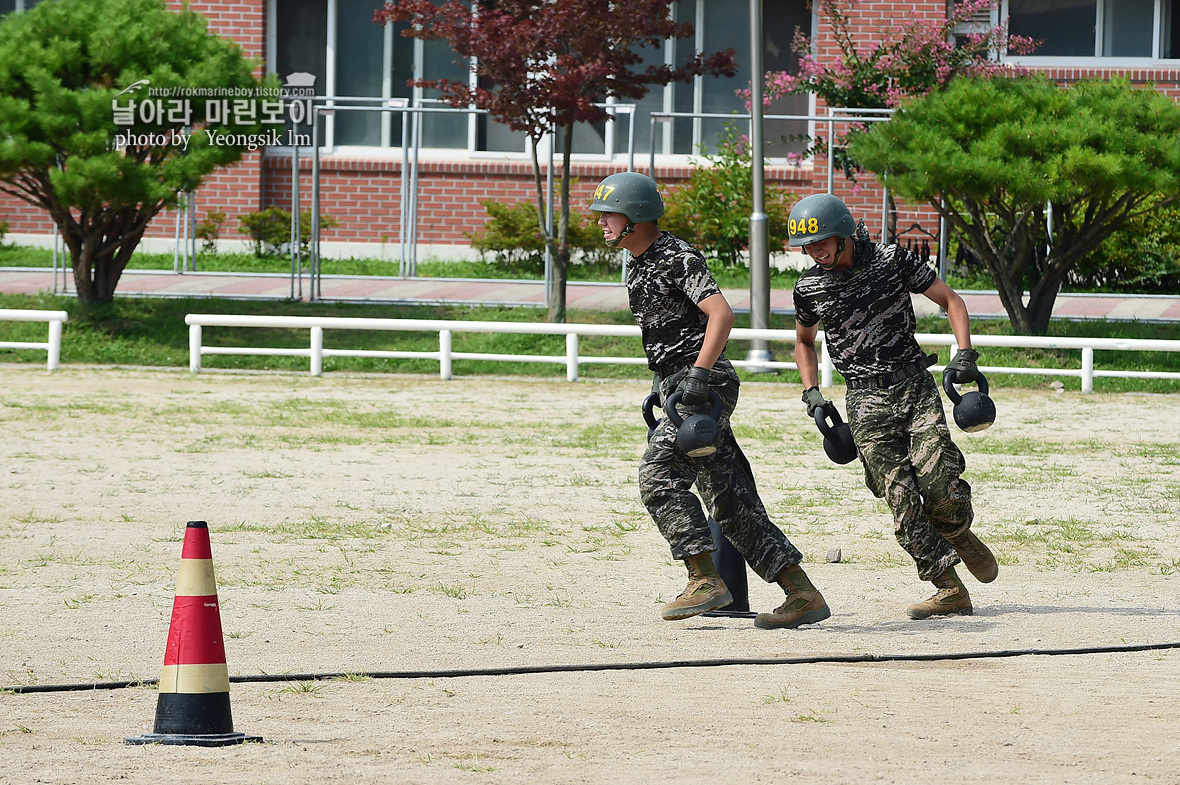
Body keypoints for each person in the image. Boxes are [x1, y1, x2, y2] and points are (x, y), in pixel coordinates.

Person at [589, 171, 829, 630]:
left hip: (705, 384)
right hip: (680, 384)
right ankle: (801, 592)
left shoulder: (675, 256)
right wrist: (666, 385)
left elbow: (721, 313)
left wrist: (696, 376)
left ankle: (704, 578)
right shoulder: (638, 262)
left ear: (635, 216)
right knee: (730, 502)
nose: (601, 222)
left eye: (609, 213)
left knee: (658, 475)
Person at [788, 193, 998, 620]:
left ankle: (959, 532)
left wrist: (964, 354)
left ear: (843, 233)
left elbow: (951, 302)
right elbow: (803, 342)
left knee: (940, 484)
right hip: (863, 400)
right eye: (808, 248)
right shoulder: (809, 287)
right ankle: (948, 587)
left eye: (822, 242)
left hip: (913, 386)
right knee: (901, 501)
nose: (816, 253)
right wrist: (812, 393)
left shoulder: (890, 260)